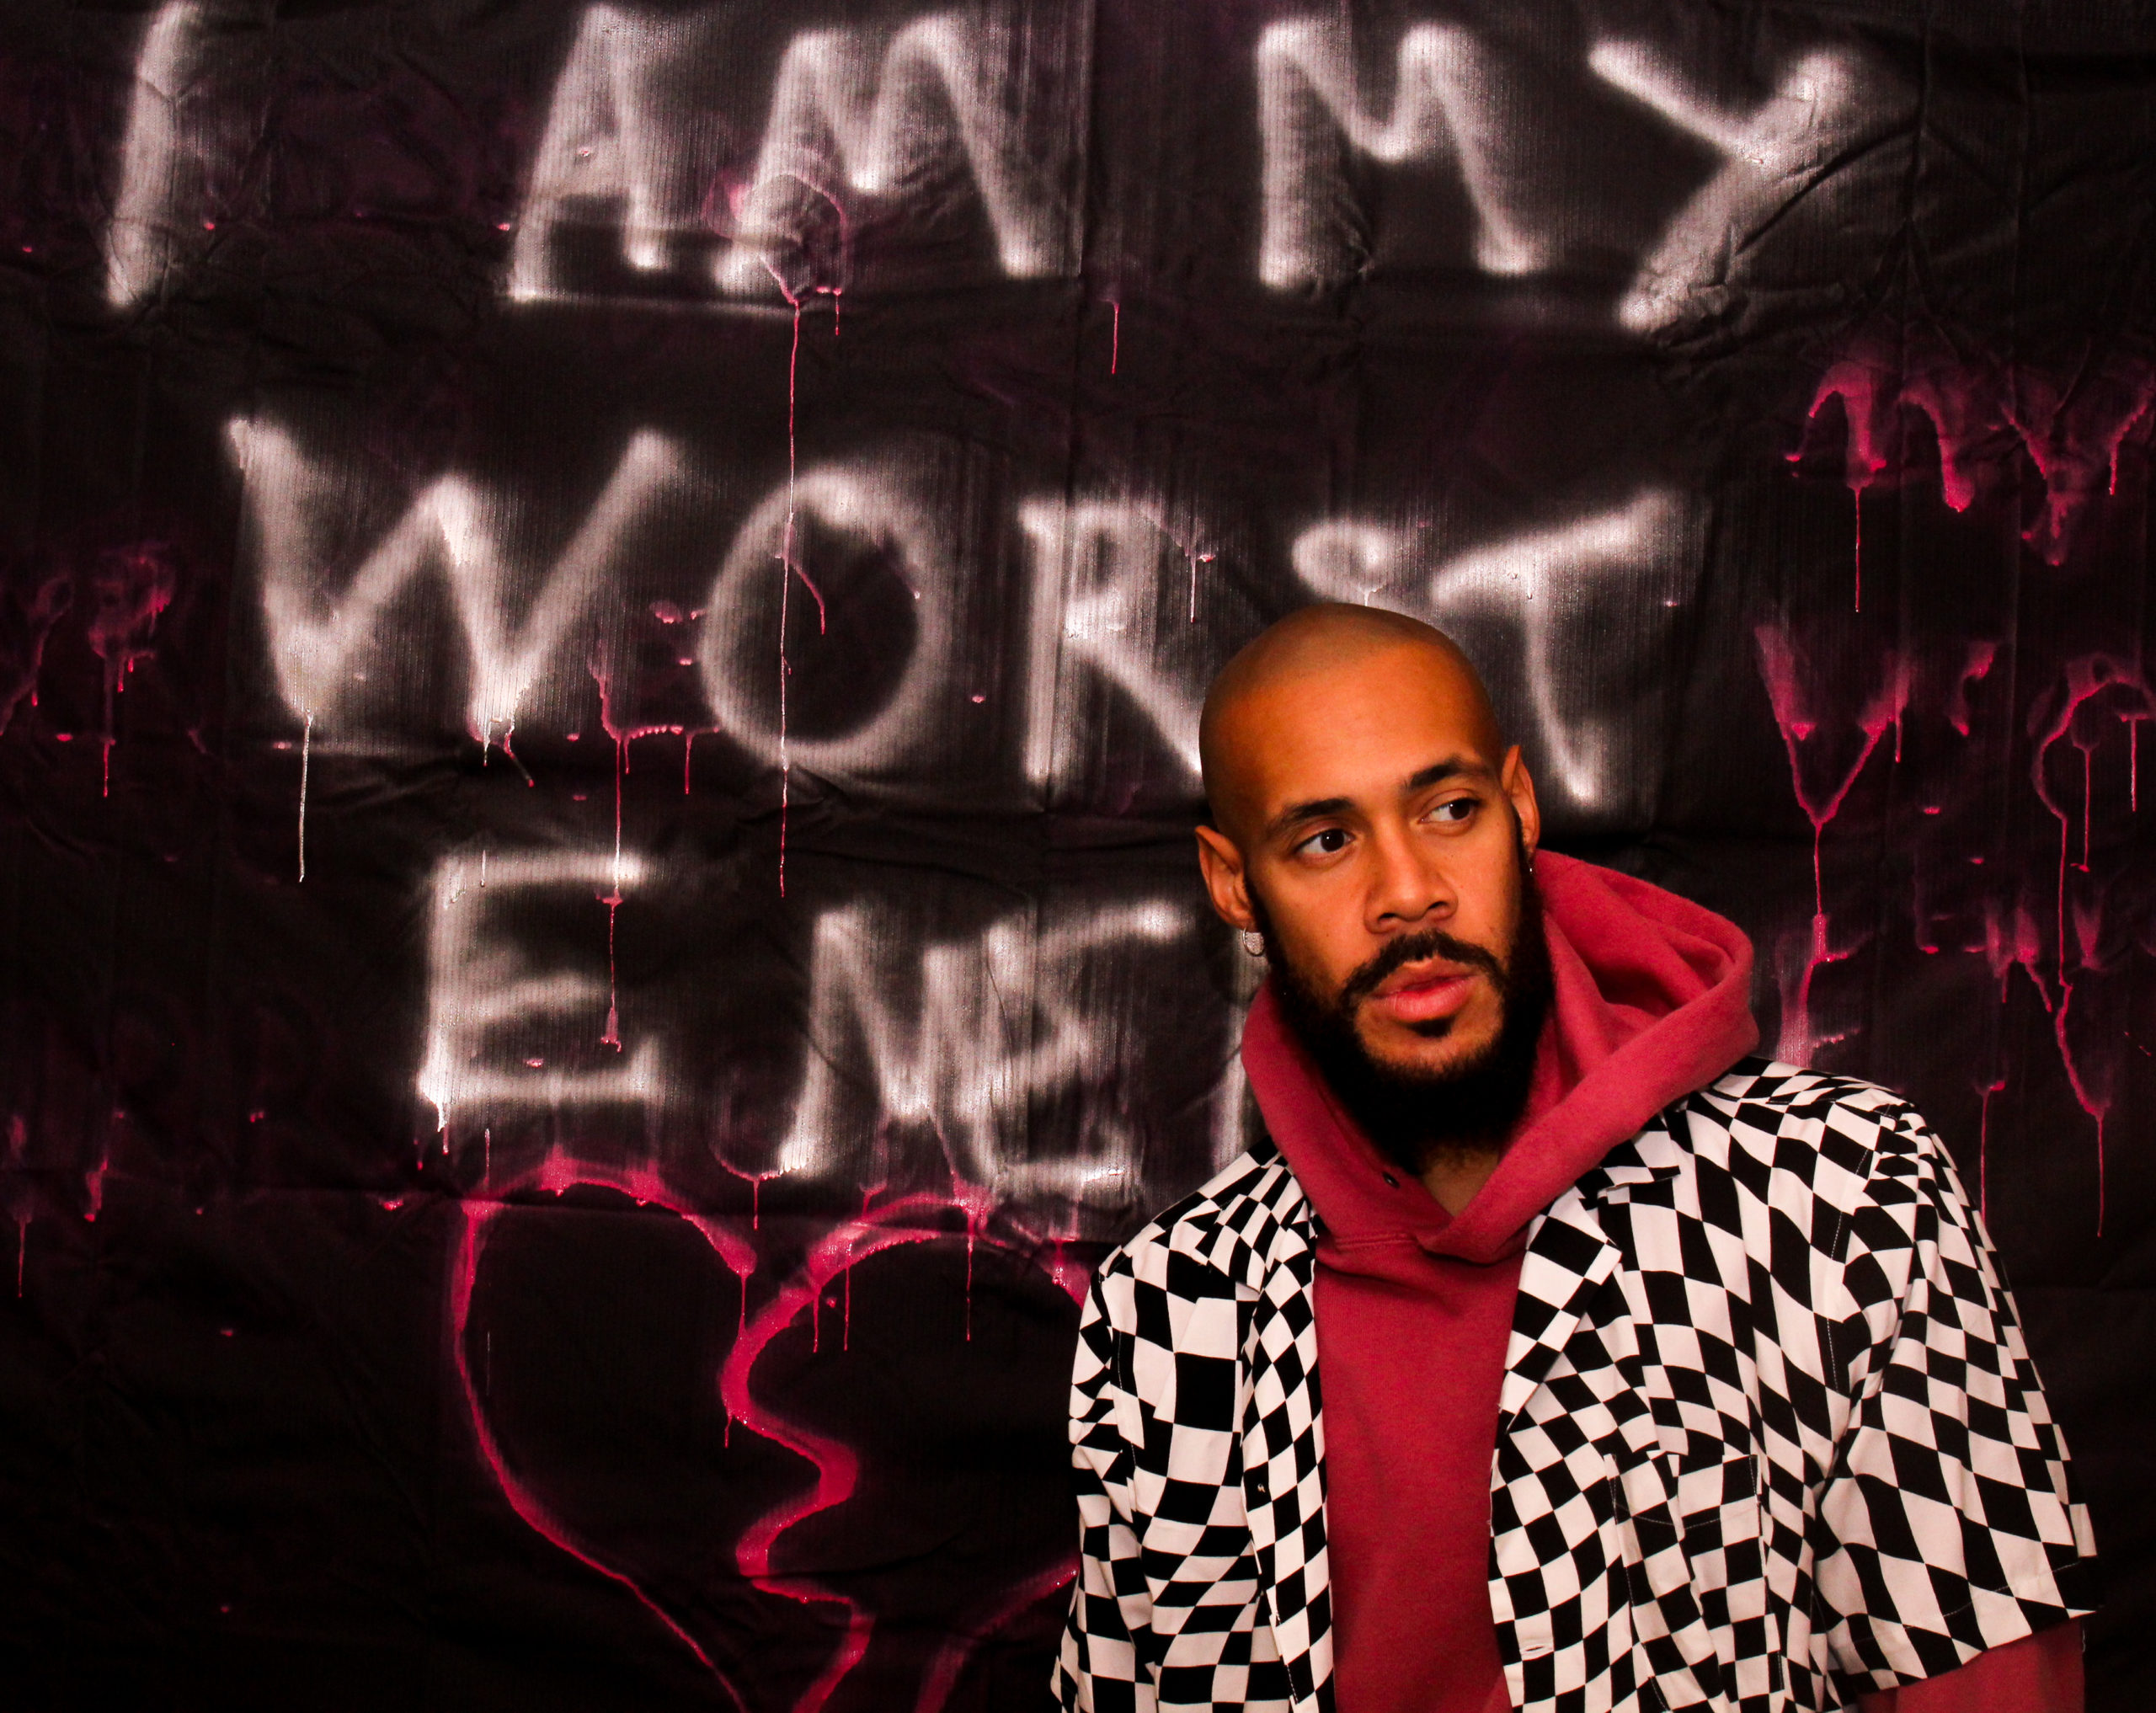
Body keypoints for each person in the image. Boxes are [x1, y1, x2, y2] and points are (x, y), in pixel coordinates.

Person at [1054, 606, 2097, 1713]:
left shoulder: (1838, 1193)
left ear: (1519, 806)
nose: (1407, 890)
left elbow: (1993, 1683)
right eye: (1326, 840)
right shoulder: (1170, 1306)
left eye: (1449, 809)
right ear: (1233, 883)